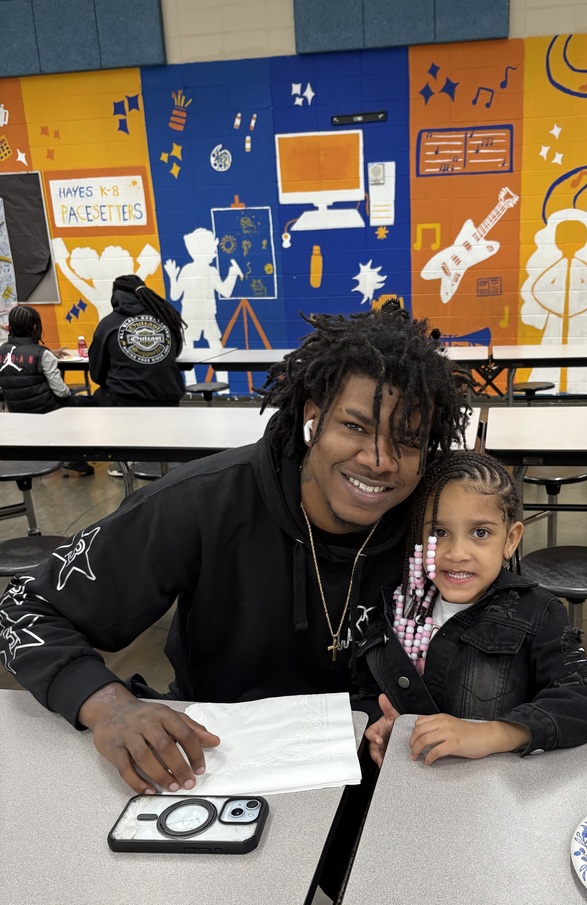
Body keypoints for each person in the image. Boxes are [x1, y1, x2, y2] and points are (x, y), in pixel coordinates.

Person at [0, 300, 471, 797]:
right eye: (354, 426)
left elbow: (520, 632)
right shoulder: (204, 502)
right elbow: (24, 608)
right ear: (314, 417)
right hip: (222, 762)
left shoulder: (438, 521)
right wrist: (107, 706)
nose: (378, 460)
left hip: (391, 763)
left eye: (408, 440)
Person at [361, 451, 587, 767]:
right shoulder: (396, 605)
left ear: (510, 540)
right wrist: (383, 724)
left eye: (480, 533)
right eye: (439, 532)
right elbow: (366, 686)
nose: (457, 553)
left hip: (493, 794)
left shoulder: (536, 613)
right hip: (408, 786)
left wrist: (492, 734)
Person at [0, 304, 94, 475]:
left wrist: (49, 353)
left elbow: (22, 361)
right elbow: (61, 392)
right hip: (45, 408)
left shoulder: (2, 351)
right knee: (89, 403)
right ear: (36, 327)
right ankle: (75, 459)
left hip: (16, 409)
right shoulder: (42, 354)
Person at [88, 274, 186, 409]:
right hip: (169, 399)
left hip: (126, 402)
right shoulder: (166, 317)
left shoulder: (107, 324)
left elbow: (97, 374)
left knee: (98, 397)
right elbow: (175, 353)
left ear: (115, 296)